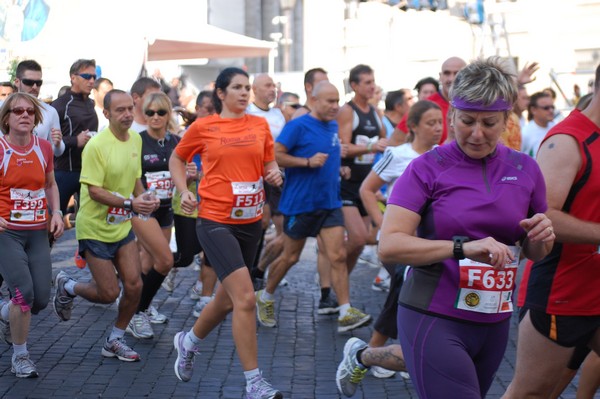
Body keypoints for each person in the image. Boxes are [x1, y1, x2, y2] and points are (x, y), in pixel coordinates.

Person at [337, 57, 556, 399]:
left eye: (490, 123)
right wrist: (463, 247)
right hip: (434, 313)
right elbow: (390, 246)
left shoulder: (525, 168)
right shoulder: (427, 168)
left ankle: (362, 355)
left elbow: (534, 251)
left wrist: (542, 239)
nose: (477, 133)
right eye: (467, 120)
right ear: (452, 115)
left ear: (507, 119)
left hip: (494, 319)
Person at [169, 67, 283, 399]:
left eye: (247, 88)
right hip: (215, 220)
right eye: (237, 88)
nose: (245, 93)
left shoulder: (259, 125)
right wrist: (185, 190)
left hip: (250, 223)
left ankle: (188, 341)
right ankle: (254, 383)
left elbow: (268, 164)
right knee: (246, 298)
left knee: (227, 299)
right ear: (221, 93)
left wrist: (273, 174)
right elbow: (178, 159)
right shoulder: (204, 127)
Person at [503, 63, 600, 398]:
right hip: (563, 289)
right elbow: (542, 216)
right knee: (531, 393)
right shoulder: (567, 140)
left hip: (595, 285)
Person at [255, 81, 371, 333]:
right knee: (291, 257)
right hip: (300, 203)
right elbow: (276, 155)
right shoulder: (298, 125)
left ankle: (345, 311)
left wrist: (337, 167)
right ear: (314, 100)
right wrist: (306, 162)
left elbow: (327, 155)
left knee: (338, 255)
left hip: (329, 202)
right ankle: (265, 296)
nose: (335, 106)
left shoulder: (332, 125)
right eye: (329, 101)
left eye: (337, 100)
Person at [52, 89, 159, 362]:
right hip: (94, 228)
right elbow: (95, 191)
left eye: (129, 109)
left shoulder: (135, 138)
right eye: (120, 110)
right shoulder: (97, 146)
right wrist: (130, 204)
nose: (126, 114)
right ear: (106, 113)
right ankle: (68, 286)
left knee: (134, 286)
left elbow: (135, 176)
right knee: (109, 293)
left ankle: (115, 340)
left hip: (121, 226)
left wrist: (143, 196)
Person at [0, 93, 64, 378]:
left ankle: (6, 313)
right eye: (18, 111)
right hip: (7, 233)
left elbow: (50, 184)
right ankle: (20, 356)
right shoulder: (1, 149)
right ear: (6, 118)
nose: (24, 115)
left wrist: (58, 212)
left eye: (30, 111)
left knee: (38, 300)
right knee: (23, 293)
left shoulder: (44, 148)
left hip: (37, 231)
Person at [126, 91, 180, 338]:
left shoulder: (176, 142)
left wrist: (189, 174)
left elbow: (181, 173)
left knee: (150, 262)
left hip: (167, 208)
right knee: (165, 260)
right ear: (144, 114)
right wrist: (141, 196)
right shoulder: (137, 140)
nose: (155, 117)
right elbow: (132, 174)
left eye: (161, 112)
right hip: (144, 209)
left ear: (169, 114)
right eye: (150, 112)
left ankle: (138, 303)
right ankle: (136, 311)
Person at [337, 64, 387, 275]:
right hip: (347, 184)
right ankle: (332, 275)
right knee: (357, 238)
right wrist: (371, 146)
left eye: (373, 81)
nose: (372, 86)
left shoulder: (375, 112)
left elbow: (386, 139)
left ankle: (341, 283)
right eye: (367, 82)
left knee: (362, 241)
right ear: (355, 85)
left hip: (366, 184)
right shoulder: (348, 111)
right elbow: (343, 148)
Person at [51, 59, 99, 216]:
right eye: (86, 76)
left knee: (90, 220)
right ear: (73, 77)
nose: (91, 81)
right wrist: (74, 141)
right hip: (64, 171)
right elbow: (46, 139)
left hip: (88, 171)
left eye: (94, 76)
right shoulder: (60, 104)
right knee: (53, 221)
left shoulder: (90, 103)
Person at [391, 56, 467, 145]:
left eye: (457, 74)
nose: (451, 79)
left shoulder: (476, 105)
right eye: (447, 73)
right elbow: (395, 142)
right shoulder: (425, 106)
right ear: (440, 76)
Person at [12, 60, 64, 157]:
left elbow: (58, 151)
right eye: (29, 82)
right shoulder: (3, 108)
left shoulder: (49, 111)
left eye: (38, 83)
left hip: (37, 169)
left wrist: (58, 144)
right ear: (17, 82)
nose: (35, 87)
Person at [521, 91, 556, 157]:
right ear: (533, 110)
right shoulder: (525, 133)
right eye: (546, 108)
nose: (551, 110)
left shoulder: (555, 127)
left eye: (552, 107)